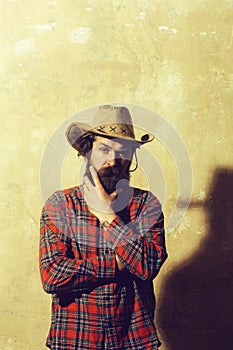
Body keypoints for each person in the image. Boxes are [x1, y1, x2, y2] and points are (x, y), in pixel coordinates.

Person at [39, 105, 168, 350]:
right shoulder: (60, 205)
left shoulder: (146, 204)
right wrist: (118, 263)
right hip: (75, 339)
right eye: (103, 149)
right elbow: (52, 276)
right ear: (87, 153)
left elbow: (148, 266)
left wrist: (107, 215)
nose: (113, 160)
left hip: (132, 339)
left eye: (122, 152)